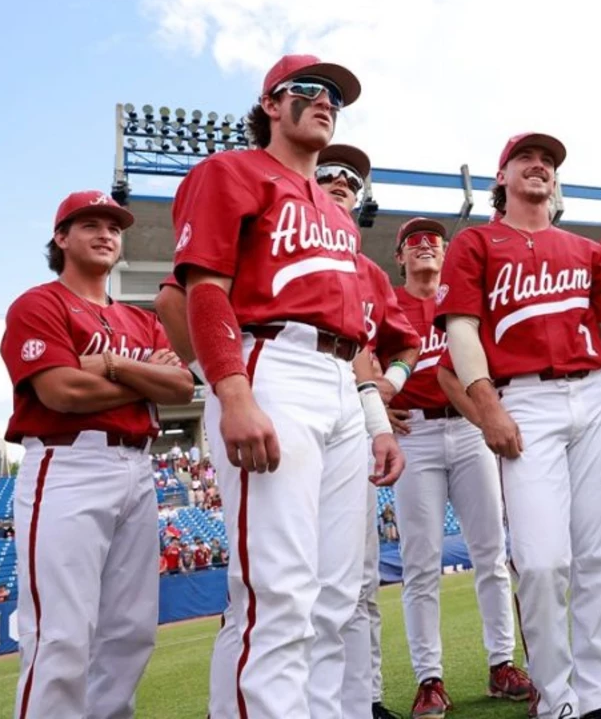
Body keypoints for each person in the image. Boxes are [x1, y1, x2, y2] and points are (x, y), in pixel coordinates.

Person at [170, 53, 405, 719]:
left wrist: (375, 421)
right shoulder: (229, 171)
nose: (327, 99)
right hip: (271, 360)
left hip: (339, 379)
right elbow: (201, 290)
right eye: (310, 89)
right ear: (272, 103)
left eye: (336, 94)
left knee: (334, 596)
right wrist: (231, 389)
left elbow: (363, 337)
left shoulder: (336, 218)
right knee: (278, 592)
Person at [438, 132, 601, 719]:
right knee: (539, 561)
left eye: (549, 162)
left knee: (600, 556)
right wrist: (488, 407)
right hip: (524, 401)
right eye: (526, 159)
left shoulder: (587, 250)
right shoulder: (475, 243)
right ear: (501, 176)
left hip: (592, 397)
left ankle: (594, 699)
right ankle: (554, 696)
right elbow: (460, 328)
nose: (540, 167)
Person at [0, 191, 194, 718]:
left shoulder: (143, 320)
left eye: (113, 225)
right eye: (90, 223)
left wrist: (107, 363)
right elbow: (62, 392)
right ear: (61, 237)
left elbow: (180, 385)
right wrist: (143, 377)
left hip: (138, 467)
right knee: (61, 634)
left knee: (130, 631)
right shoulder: (38, 304)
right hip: (68, 465)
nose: (106, 232)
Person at [377, 216, 533, 718]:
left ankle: (502, 663)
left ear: (445, 254)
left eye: (433, 241)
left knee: (491, 552)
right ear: (399, 256)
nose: (424, 246)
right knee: (420, 564)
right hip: (415, 433)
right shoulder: (387, 303)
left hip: (467, 428)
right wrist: (375, 408)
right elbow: (359, 362)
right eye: (412, 241)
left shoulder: (463, 297)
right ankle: (429, 678)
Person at [313, 143, 420, 719]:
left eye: (351, 180)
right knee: (271, 579)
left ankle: (362, 701)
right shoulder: (271, 241)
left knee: (354, 580)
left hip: (352, 413)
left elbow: (400, 344)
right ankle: (243, 700)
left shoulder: (371, 273)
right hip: (288, 400)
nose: (339, 182)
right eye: (327, 172)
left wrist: (391, 386)